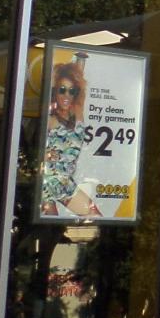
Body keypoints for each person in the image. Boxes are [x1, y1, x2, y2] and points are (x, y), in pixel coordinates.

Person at [40, 55, 101, 219]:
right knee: (49, 229)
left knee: (95, 218)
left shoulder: (77, 112)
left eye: (71, 91)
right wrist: (46, 156)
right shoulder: (51, 119)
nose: (66, 95)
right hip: (47, 183)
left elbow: (79, 81)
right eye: (62, 90)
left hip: (66, 183)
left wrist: (81, 60)